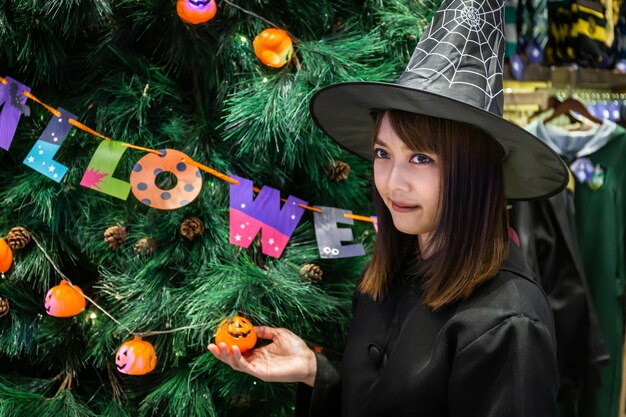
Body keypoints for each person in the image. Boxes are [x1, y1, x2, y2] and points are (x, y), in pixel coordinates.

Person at [209, 0, 569, 415]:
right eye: (383, 153)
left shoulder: (508, 325)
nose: (392, 182)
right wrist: (316, 371)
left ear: (476, 172)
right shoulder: (391, 272)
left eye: (421, 158)